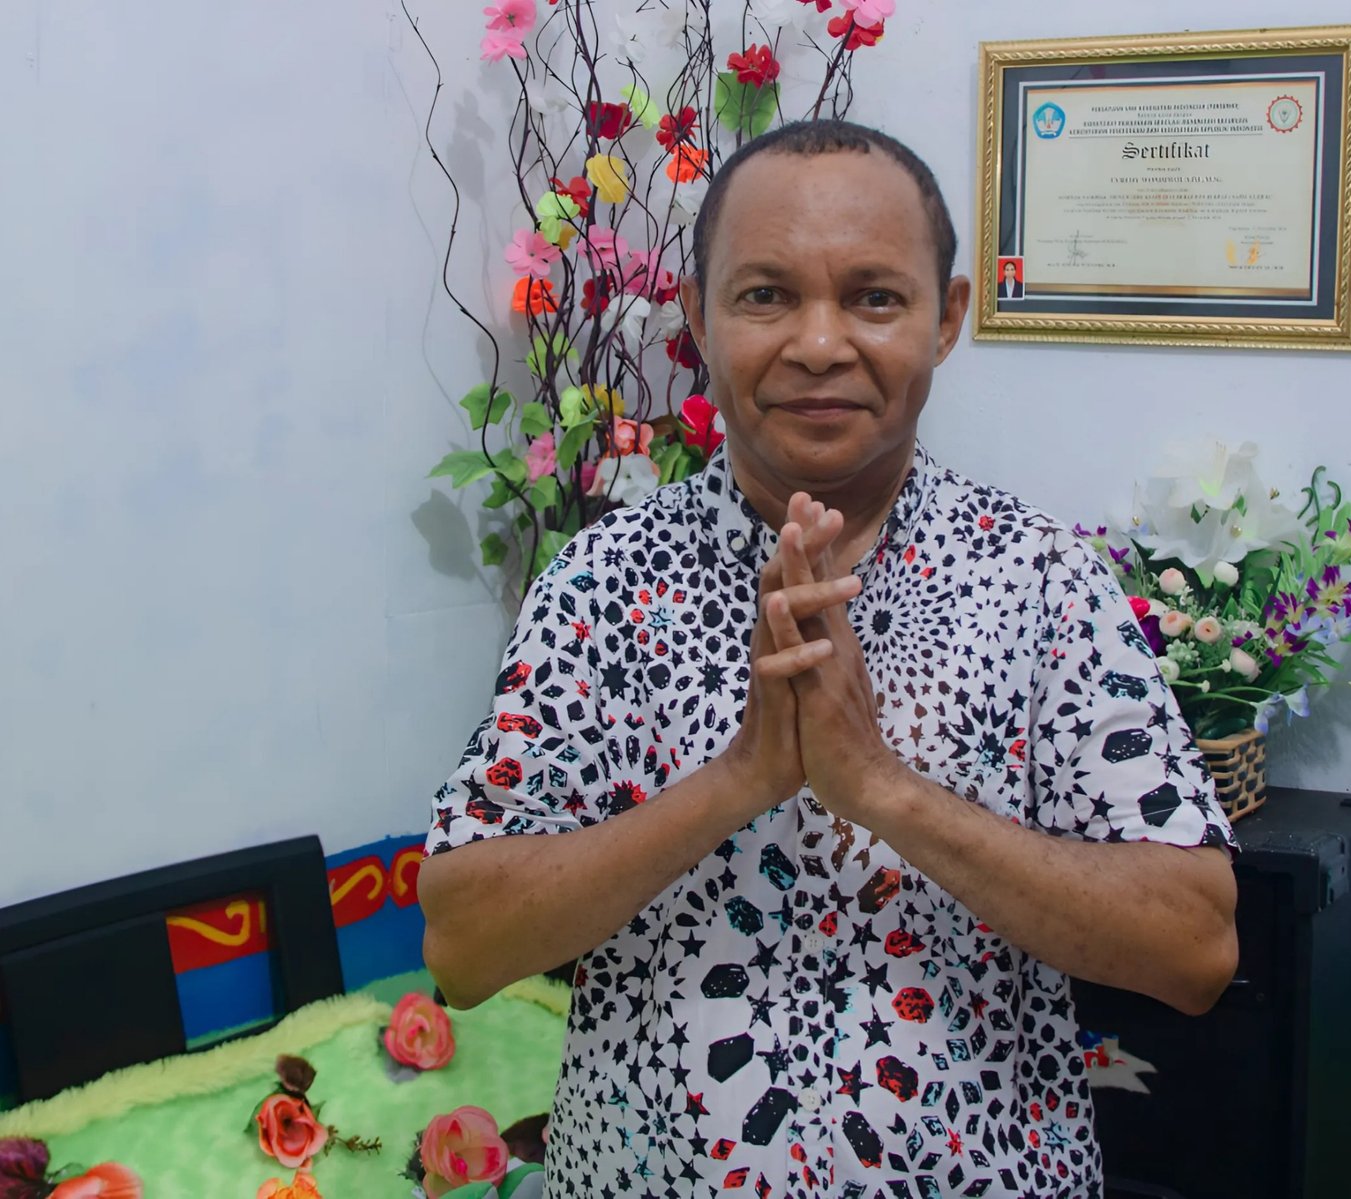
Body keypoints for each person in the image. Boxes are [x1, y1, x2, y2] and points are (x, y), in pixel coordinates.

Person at [418, 119, 1238, 1199]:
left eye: (873, 297)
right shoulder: (603, 581)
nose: (817, 344)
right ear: (698, 317)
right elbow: (464, 944)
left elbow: (1193, 948)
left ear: (945, 319)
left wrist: (882, 787)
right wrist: (740, 778)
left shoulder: (1040, 578)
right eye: (765, 295)